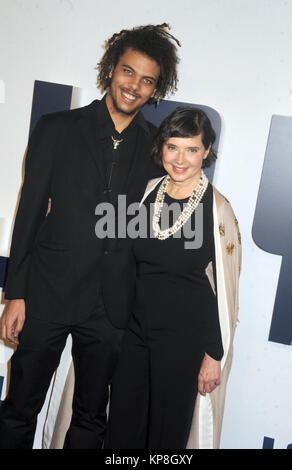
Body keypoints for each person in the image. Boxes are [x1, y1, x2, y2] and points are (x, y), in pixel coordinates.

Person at [0, 23, 180, 449]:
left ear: (156, 89)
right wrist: (16, 293)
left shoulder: (158, 150)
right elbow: (28, 214)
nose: (134, 85)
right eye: (128, 71)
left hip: (112, 307)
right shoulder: (57, 128)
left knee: (91, 418)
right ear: (111, 70)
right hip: (46, 292)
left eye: (147, 79)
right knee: (20, 407)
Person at [105, 107, 241, 449]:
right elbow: (114, 245)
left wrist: (214, 354)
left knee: (166, 438)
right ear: (161, 147)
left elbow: (226, 292)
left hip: (184, 338)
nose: (180, 159)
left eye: (192, 149)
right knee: (122, 427)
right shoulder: (148, 192)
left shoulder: (218, 209)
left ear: (206, 151)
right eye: (172, 147)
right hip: (135, 333)